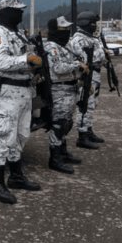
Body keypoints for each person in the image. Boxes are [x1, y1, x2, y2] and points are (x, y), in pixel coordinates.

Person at [0, 0, 42, 204]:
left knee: (21, 135)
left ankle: (16, 176)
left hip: (24, 91)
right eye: (16, 11)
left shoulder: (18, 35)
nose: (21, 14)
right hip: (7, 91)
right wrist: (26, 59)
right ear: (5, 12)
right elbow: (0, 61)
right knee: (3, 136)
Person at [44, 16, 88, 173]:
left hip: (71, 88)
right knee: (59, 123)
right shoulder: (51, 47)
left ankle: (62, 152)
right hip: (59, 90)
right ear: (55, 31)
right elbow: (58, 68)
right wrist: (77, 65)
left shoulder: (65, 46)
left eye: (68, 29)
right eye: (63, 30)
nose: (67, 32)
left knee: (67, 123)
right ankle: (54, 158)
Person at [68, 11, 107, 149]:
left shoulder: (92, 38)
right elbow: (85, 58)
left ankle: (89, 130)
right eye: (92, 23)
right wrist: (101, 55)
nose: (95, 26)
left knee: (92, 104)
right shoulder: (78, 39)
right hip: (86, 76)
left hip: (95, 75)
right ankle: (82, 135)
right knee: (85, 104)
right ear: (85, 23)